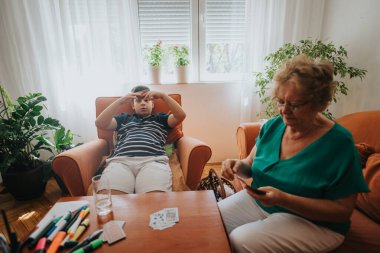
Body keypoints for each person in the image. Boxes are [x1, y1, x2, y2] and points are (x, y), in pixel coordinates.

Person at [218, 54, 369, 253]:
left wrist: (284, 199)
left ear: (321, 104)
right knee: (212, 219)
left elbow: (341, 211)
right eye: (280, 101)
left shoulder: (339, 143)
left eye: (295, 105)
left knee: (240, 240)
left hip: (315, 224)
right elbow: (249, 166)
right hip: (263, 204)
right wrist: (237, 166)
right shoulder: (272, 127)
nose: (284, 111)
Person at [95, 85, 186, 194]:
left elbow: (181, 115)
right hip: (121, 162)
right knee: (112, 201)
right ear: (133, 106)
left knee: (153, 202)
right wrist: (121, 101)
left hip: (153, 161)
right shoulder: (123, 119)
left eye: (147, 100)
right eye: (138, 101)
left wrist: (163, 96)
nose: (143, 103)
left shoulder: (161, 119)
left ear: (152, 104)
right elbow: (100, 123)